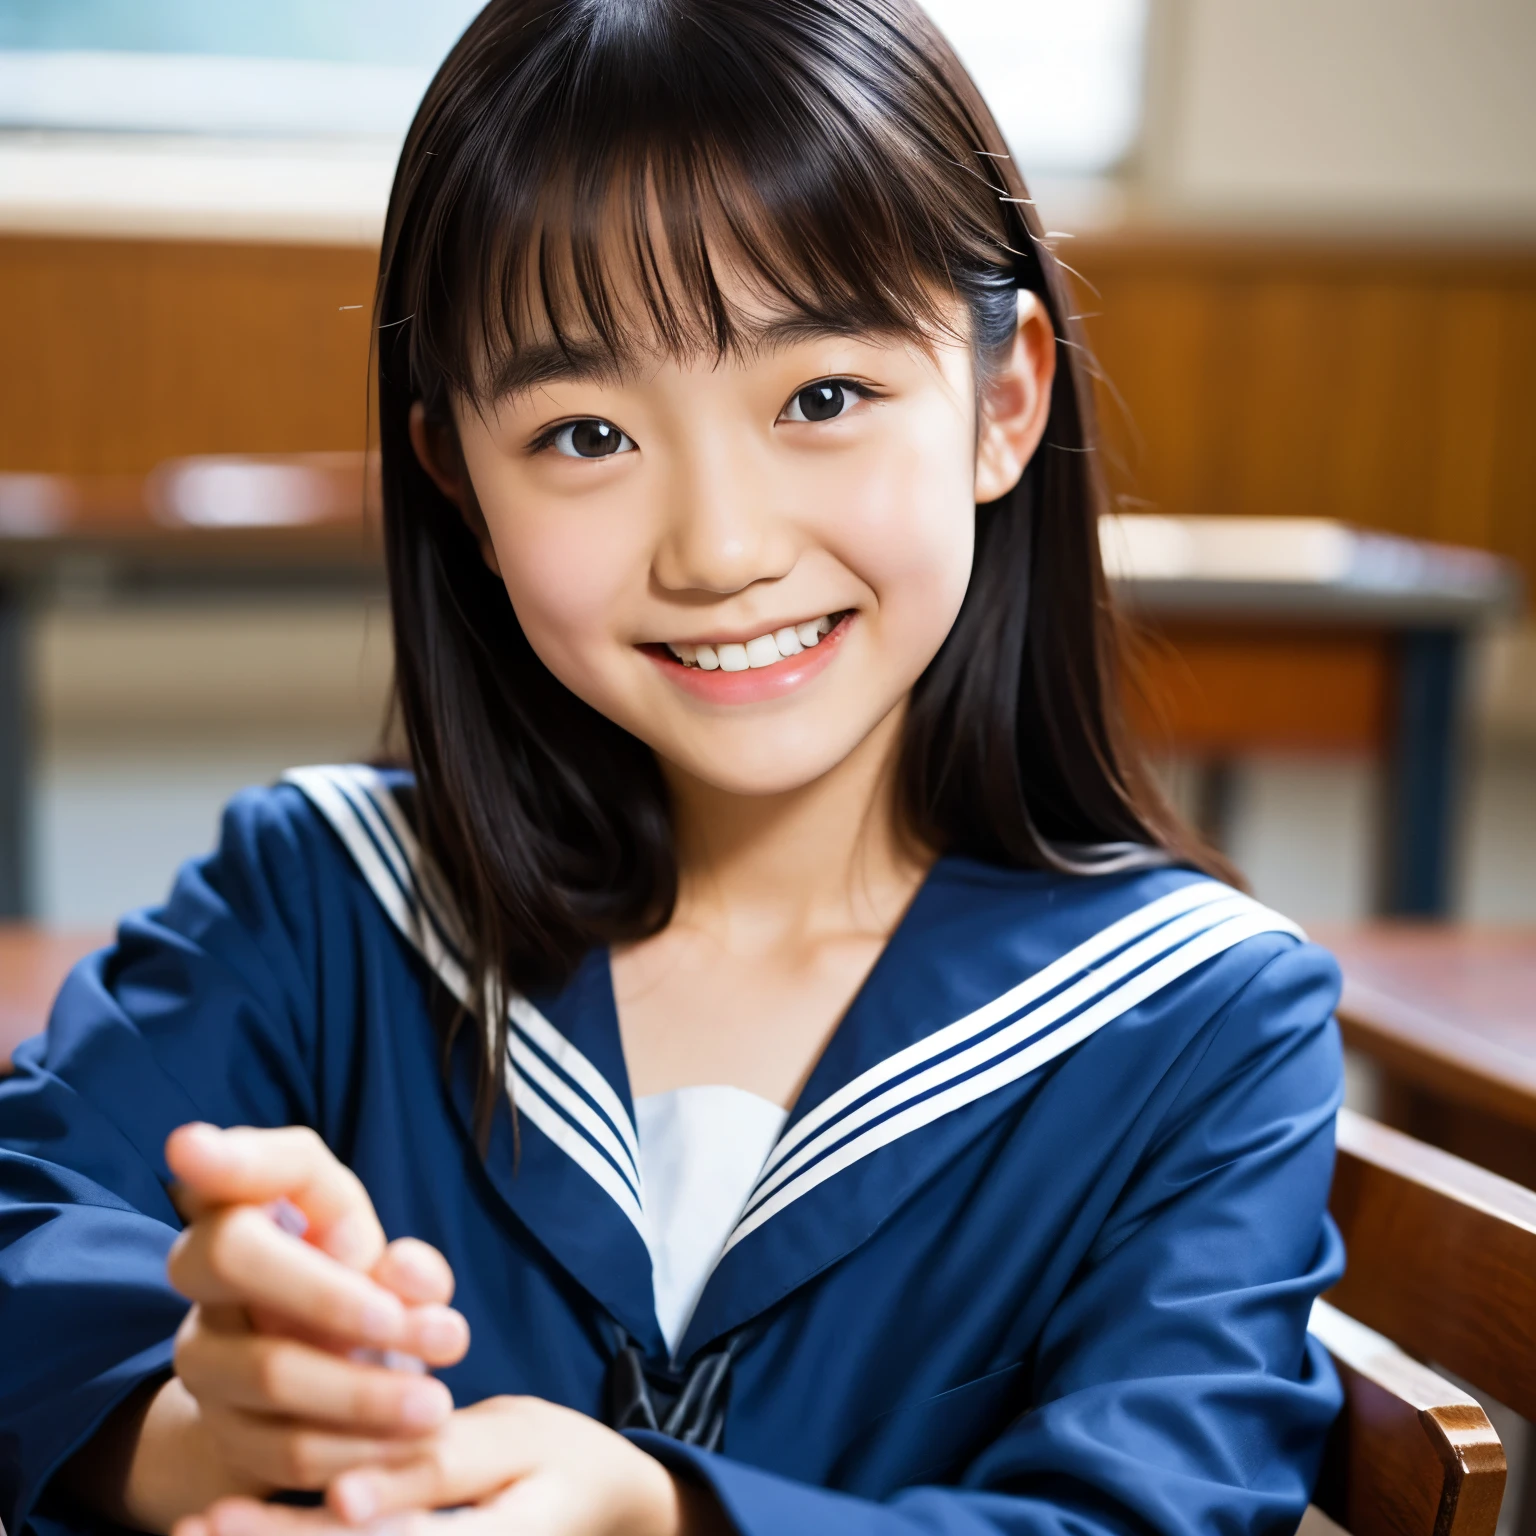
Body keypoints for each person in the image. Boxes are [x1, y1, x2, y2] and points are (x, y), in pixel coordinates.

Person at [0, 2, 1346, 1533]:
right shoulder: (320, 903)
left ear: (1004, 399)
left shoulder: (1203, 1022)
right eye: (584, 434)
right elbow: (22, 1222)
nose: (720, 548)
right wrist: (192, 1431)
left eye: (822, 398)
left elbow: (1155, 1510)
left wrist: (664, 1515)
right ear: (459, 480)